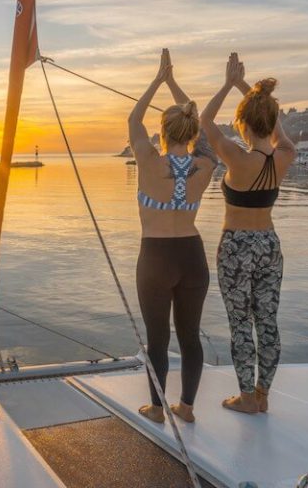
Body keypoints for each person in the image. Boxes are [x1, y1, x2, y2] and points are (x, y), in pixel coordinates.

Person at [200, 53, 296, 414]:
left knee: (241, 323)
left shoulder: (236, 158)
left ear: (242, 123)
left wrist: (229, 83)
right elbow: (275, 127)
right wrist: (250, 90)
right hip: (270, 245)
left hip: (237, 246)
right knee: (267, 321)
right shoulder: (283, 156)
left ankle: (246, 398)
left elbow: (206, 121)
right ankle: (263, 394)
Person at [128, 49, 218, 424]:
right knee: (190, 337)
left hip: (156, 258)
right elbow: (194, 120)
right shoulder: (206, 164)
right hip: (192, 256)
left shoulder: (149, 161)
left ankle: (156, 408)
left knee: (158, 339)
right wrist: (175, 85)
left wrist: (159, 79)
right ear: (193, 131)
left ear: (162, 132)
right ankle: (188, 408)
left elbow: (134, 117)